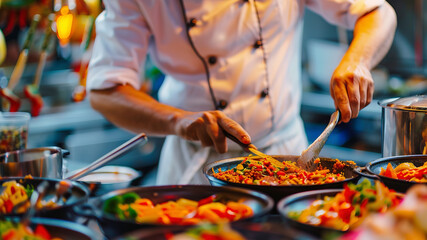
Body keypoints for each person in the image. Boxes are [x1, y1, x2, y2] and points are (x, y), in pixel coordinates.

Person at [87, 0, 396, 185]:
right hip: (197, 167)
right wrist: (178, 121)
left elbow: (377, 12)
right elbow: (105, 90)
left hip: (288, 157)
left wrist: (357, 60)